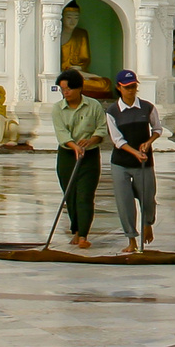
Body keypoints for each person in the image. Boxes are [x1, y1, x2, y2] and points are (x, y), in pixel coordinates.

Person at [104, 69, 162, 253]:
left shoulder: (147, 108)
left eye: (134, 87)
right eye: (127, 87)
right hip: (121, 161)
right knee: (125, 201)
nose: (131, 90)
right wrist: (134, 152)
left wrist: (148, 142)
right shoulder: (112, 111)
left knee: (148, 197)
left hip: (144, 161)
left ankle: (147, 224)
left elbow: (157, 129)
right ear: (119, 88)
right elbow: (117, 140)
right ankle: (131, 240)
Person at [51, 68, 107, 249]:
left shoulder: (94, 106)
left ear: (79, 88)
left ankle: (83, 234)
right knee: (71, 195)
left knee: (85, 194)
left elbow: (101, 129)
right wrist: (74, 146)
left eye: (68, 89)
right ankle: (75, 229)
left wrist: (91, 140)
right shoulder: (58, 109)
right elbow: (61, 132)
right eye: (62, 90)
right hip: (67, 154)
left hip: (89, 154)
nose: (65, 93)